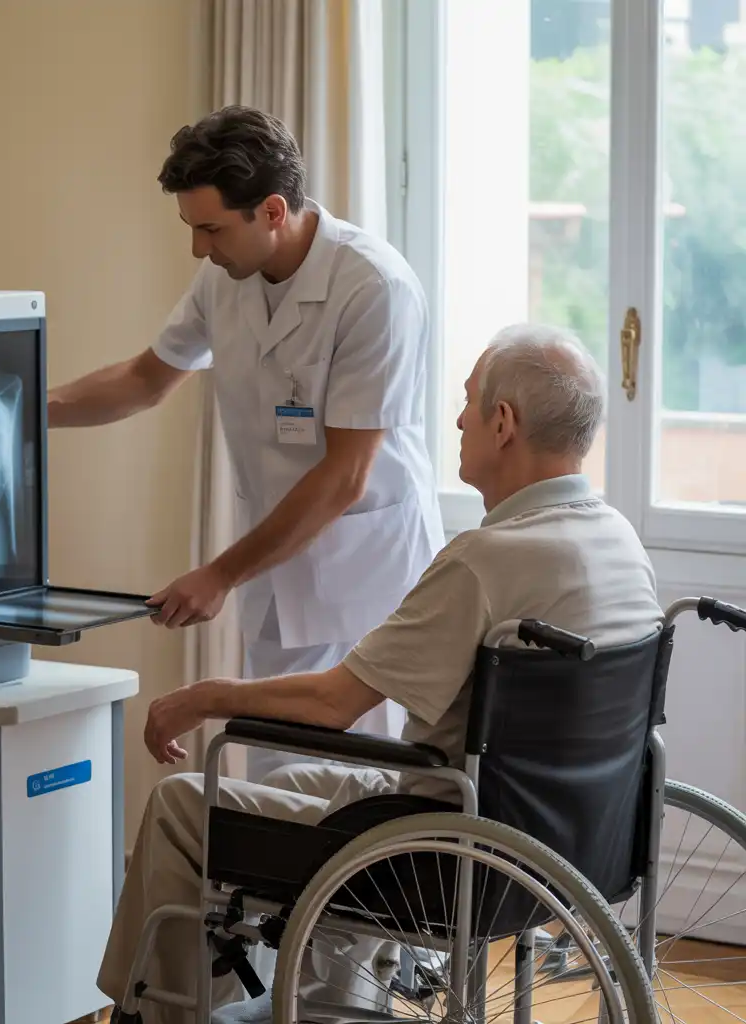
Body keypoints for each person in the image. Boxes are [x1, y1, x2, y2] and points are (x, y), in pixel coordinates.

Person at [95, 323, 665, 1024]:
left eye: (467, 402)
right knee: (293, 783)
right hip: (573, 845)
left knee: (185, 804)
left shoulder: (488, 560)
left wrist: (206, 697)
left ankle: (155, 1012)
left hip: (445, 859)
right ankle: (324, 1000)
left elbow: (334, 702)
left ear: (504, 422)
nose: (457, 419)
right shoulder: (619, 542)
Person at [47, 105, 444, 781]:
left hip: (363, 589)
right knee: (276, 792)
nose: (198, 249)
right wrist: (26, 414)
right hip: (276, 578)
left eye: (210, 229)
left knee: (356, 802)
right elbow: (145, 380)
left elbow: (347, 474)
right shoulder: (224, 278)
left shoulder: (372, 288)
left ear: (270, 210)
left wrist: (219, 574)